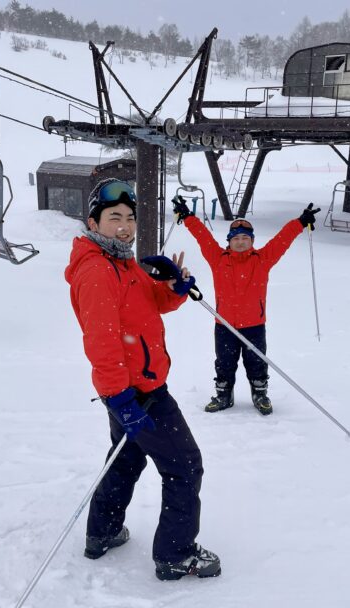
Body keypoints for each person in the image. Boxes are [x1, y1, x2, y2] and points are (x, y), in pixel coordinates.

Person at [64, 178, 221, 581]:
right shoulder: (99, 270)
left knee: (126, 460)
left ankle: (103, 532)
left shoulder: (121, 261)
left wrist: (174, 288)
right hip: (138, 393)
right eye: (114, 217)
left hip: (131, 391)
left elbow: (150, 305)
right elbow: (103, 342)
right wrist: (120, 399)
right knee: (185, 465)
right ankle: (175, 554)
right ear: (93, 222)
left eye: (130, 218)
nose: (125, 226)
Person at [172, 197, 320, 416]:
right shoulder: (218, 258)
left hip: (254, 325)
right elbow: (203, 237)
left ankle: (260, 393)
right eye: (236, 238)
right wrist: (188, 217)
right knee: (224, 362)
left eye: (245, 238)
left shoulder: (262, 259)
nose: (240, 242)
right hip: (224, 325)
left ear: (252, 241)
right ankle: (224, 395)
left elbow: (282, 240)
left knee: (256, 362)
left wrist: (300, 222)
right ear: (229, 241)